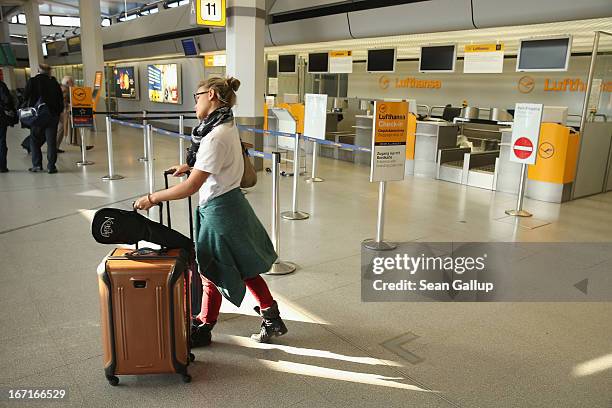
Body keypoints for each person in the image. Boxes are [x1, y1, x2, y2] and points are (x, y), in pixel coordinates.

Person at [134, 77, 288, 346]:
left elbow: (191, 187)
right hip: (230, 205)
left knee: (211, 271)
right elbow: (211, 166)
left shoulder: (215, 136)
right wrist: (188, 165)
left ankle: (204, 326)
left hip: (220, 212)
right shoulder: (224, 124)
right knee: (244, 266)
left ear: (213, 94)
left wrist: (152, 198)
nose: (195, 102)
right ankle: (270, 317)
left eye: (197, 96)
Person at [23, 64, 63, 173]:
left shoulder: (32, 81)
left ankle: (37, 165)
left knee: (35, 140)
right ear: (49, 71)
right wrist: (58, 112)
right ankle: (51, 166)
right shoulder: (54, 82)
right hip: (52, 115)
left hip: (37, 116)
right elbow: (60, 99)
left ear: (38, 71)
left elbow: (25, 96)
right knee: (51, 142)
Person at [0, 79, 17, 173]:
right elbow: (7, 99)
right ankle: (2, 166)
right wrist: (8, 110)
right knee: (1, 140)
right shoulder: (1, 85)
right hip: (1, 117)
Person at [56, 76, 74, 154]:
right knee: (61, 129)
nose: (73, 83)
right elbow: (63, 100)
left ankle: (55, 147)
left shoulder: (62, 88)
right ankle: (54, 147)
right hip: (62, 111)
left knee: (61, 129)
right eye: (71, 82)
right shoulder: (64, 89)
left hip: (61, 110)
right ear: (67, 83)